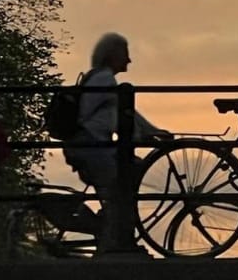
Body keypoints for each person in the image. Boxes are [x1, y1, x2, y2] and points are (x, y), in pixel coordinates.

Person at [63, 32, 170, 252]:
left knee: (132, 172)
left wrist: (151, 132)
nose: (129, 60)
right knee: (118, 188)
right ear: (113, 56)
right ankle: (113, 240)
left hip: (89, 145)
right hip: (90, 146)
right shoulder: (105, 79)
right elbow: (112, 115)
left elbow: (125, 112)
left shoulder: (99, 77)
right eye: (125, 54)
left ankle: (113, 233)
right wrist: (148, 134)